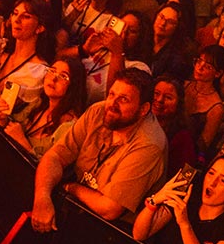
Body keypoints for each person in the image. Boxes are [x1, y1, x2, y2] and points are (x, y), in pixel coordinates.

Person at [30, 68, 168, 230]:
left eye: (123, 99)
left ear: (143, 109)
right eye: (111, 94)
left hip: (111, 232)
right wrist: (42, 197)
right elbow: (56, 156)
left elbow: (109, 209)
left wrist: (70, 187)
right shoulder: (98, 111)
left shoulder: (149, 145)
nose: (112, 104)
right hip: (76, 209)